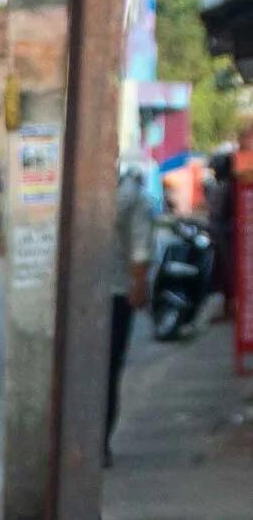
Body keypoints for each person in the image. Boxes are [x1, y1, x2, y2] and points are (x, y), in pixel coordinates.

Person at [107, 155, 162, 453]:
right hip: (96, 294)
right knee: (97, 372)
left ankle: (98, 442)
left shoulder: (130, 196)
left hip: (116, 293)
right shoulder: (103, 193)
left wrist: (139, 284)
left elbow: (141, 248)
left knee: (106, 370)